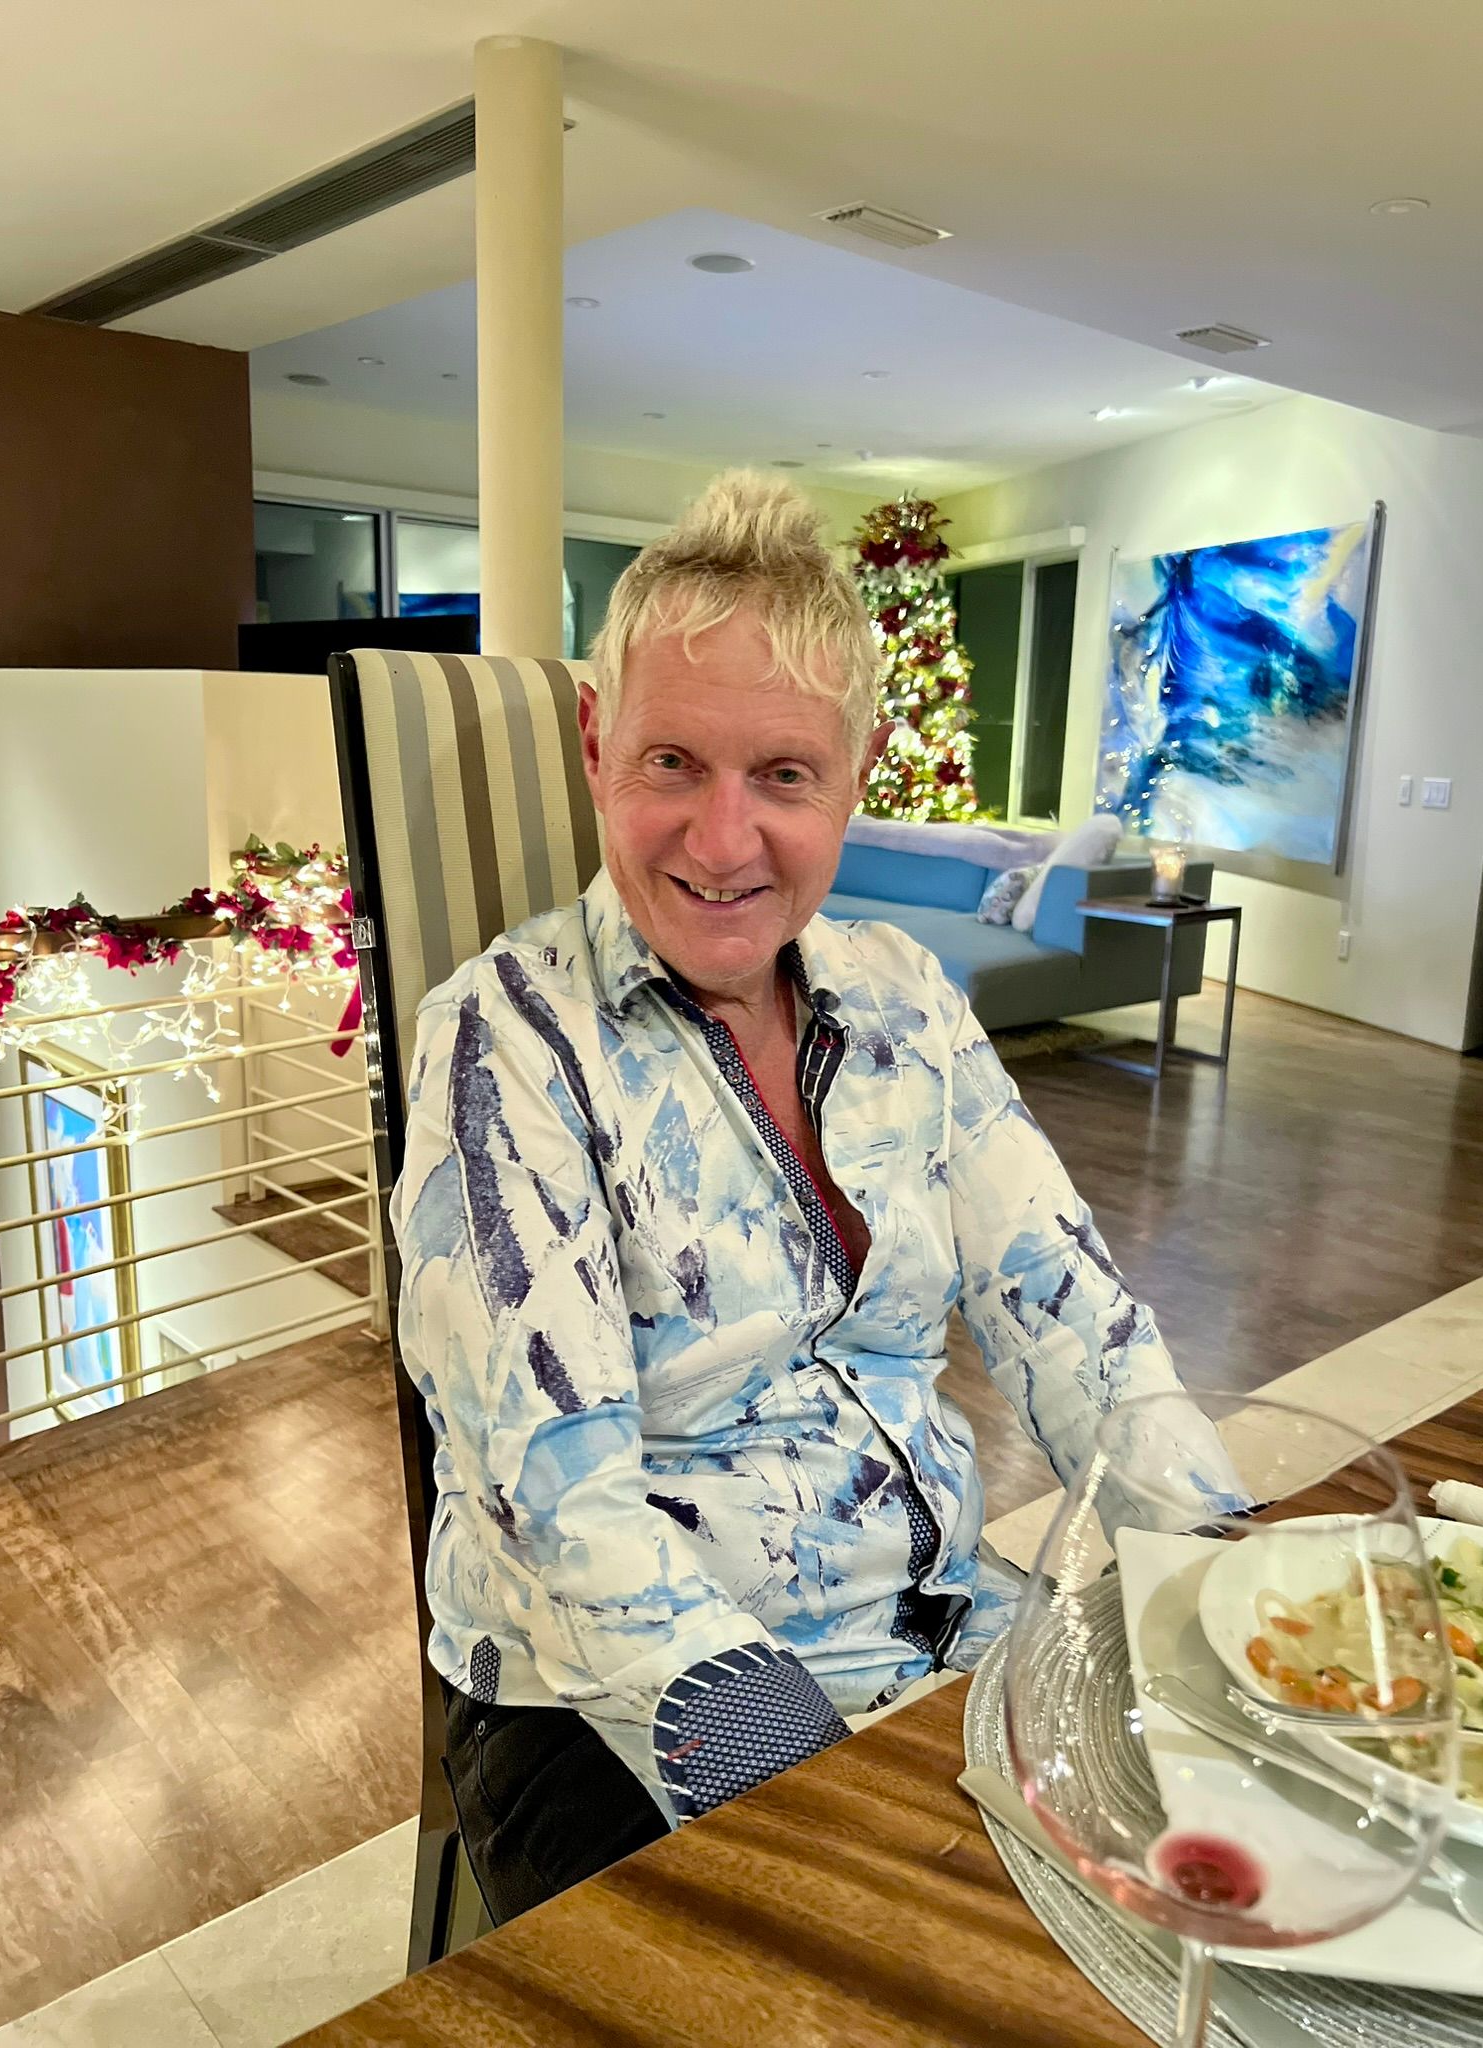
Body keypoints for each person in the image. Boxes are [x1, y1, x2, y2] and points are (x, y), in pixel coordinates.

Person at [391, 471, 1240, 1923]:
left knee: (1230, 1883)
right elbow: (559, 1506)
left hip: (940, 1631)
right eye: (672, 763)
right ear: (597, 745)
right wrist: (823, 1792)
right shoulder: (506, 1039)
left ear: (859, 771)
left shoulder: (907, 997)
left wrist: (1223, 1588)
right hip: (604, 1700)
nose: (723, 843)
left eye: (783, 775)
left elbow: (1073, 1319)